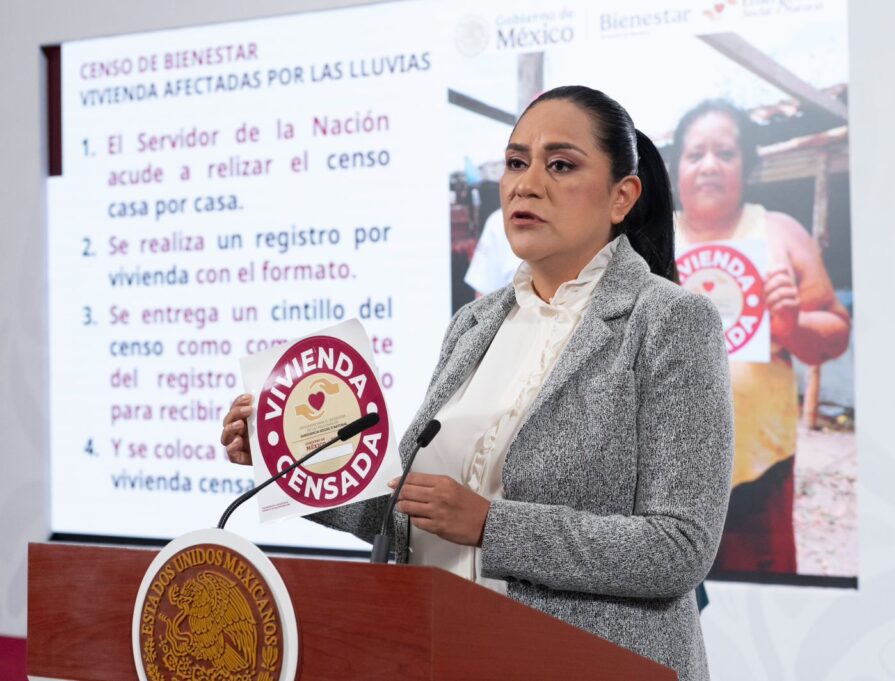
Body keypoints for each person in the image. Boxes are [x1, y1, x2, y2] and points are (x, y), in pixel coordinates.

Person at [222, 86, 733, 680]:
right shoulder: (473, 324)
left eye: (560, 165)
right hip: (444, 657)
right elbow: (405, 513)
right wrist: (290, 461)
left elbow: (678, 548)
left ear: (622, 196)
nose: (526, 184)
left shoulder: (670, 321)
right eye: (516, 162)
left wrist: (493, 525)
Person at [667, 99, 851, 575]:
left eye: (725, 153)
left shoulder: (779, 233)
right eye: (696, 154)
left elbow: (836, 332)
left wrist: (793, 325)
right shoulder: (645, 242)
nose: (710, 165)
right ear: (677, 167)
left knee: (763, 598)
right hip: (662, 479)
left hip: (759, 471)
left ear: (747, 165)